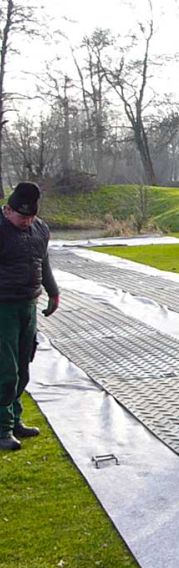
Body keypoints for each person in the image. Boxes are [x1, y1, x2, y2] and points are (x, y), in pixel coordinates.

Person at [0, 182, 60, 451]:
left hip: (28, 304)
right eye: (22, 217)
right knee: (5, 371)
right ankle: (2, 428)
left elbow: (42, 262)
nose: (27, 222)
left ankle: (15, 420)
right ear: (7, 209)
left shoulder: (40, 229)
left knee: (23, 367)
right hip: (3, 308)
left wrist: (53, 292)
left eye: (31, 216)